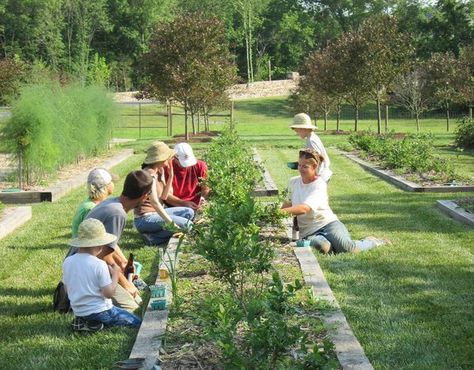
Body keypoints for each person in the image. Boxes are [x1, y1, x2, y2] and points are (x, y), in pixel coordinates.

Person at [281, 148, 389, 254]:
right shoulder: (293, 182)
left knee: (348, 249)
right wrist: (276, 215)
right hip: (309, 231)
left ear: (314, 167)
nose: (300, 168)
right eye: (299, 165)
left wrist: (277, 213)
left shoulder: (319, 185)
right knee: (323, 247)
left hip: (328, 224)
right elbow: (287, 205)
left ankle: (373, 241)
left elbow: (304, 208)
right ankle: (323, 243)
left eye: (305, 166)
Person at [79, 170, 154, 312]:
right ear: (144, 196)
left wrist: (124, 263)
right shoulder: (117, 214)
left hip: (87, 266)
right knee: (133, 308)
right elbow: (104, 256)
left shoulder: (112, 203)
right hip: (85, 273)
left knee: (138, 300)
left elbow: (109, 245)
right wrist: (126, 284)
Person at [63, 218, 141, 332]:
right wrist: (115, 275)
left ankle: (88, 323)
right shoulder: (99, 264)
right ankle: (96, 322)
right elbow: (108, 294)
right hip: (102, 311)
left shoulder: (68, 262)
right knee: (137, 322)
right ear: (100, 245)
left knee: (92, 316)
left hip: (79, 311)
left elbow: (66, 288)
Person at [134, 141, 194, 245]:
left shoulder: (159, 170)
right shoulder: (149, 175)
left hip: (155, 214)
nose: (171, 159)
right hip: (145, 219)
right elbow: (155, 203)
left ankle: (159, 232)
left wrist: (170, 176)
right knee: (188, 225)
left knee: (189, 212)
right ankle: (153, 238)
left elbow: (164, 196)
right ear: (161, 159)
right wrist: (171, 223)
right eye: (169, 157)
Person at [71, 168, 117, 238]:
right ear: (105, 187)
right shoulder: (91, 209)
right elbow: (91, 237)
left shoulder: (93, 203)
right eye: (111, 181)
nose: (113, 183)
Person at [164, 142, 209, 210]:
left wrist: (202, 199)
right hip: (176, 205)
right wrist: (183, 203)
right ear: (174, 158)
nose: (187, 166)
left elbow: (205, 188)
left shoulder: (200, 166)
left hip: (197, 204)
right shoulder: (167, 168)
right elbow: (167, 196)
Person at [290, 113, 332, 182]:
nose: (297, 133)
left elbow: (317, 160)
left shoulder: (311, 141)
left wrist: (313, 177)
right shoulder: (311, 138)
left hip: (320, 176)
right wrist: (298, 164)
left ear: (303, 128)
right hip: (321, 175)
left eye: (297, 131)